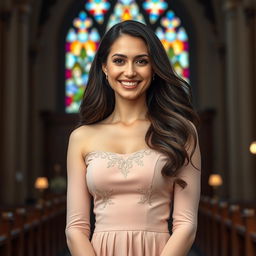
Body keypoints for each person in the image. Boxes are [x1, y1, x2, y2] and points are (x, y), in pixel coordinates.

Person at [65, 20, 201, 256]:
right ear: (105, 67)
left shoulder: (181, 132)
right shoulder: (81, 138)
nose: (130, 72)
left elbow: (186, 225)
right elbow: (75, 228)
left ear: (154, 68)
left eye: (141, 61)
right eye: (119, 60)